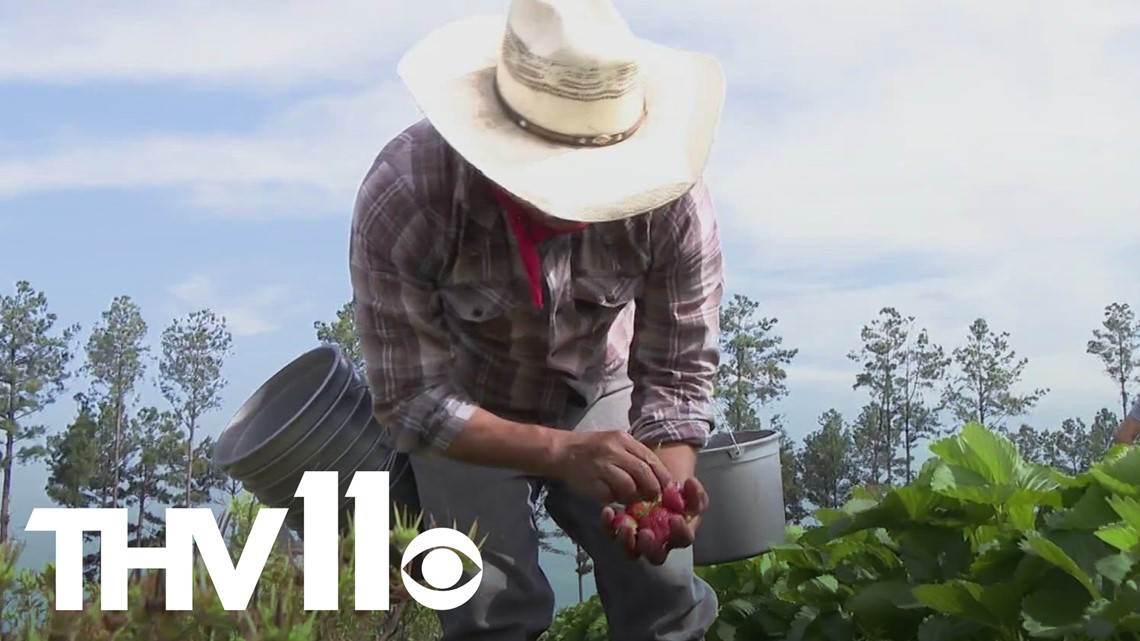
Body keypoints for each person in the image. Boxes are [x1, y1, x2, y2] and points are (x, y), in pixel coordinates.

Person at [348, 0, 726, 639]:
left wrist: (668, 491)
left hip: (597, 380)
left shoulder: (672, 203)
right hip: (465, 406)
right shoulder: (409, 194)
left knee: (662, 588)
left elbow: (678, 373)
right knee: (487, 605)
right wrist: (559, 451)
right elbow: (413, 402)